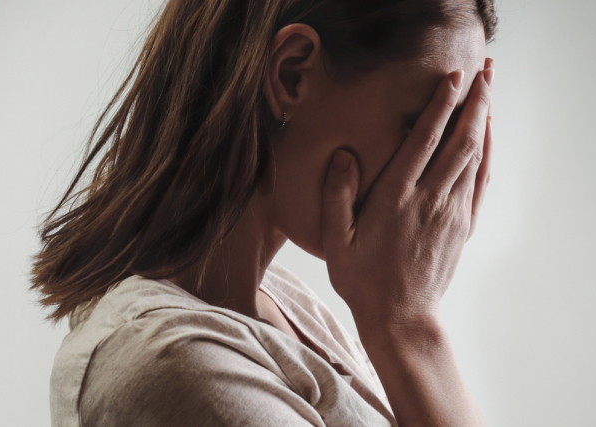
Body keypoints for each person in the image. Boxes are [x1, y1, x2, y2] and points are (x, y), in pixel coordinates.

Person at [32, 0, 497, 425]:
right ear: (291, 74)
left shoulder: (280, 304)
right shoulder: (177, 365)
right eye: (424, 127)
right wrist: (409, 325)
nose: (441, 184)